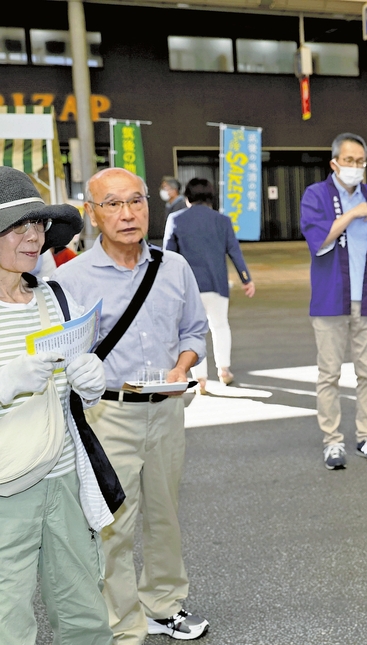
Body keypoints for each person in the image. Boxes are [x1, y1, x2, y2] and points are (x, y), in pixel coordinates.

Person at [53, 167, 210, 643]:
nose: (128, 214)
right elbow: (63, 352)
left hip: (165, 410)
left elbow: (194, 331)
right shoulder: (70, 278)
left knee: (165, 514)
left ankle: (164, 604)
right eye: (113, 204)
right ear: (93, 214)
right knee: (113, 525)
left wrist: (181, 369)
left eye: (136, 201)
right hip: (106, 415)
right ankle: (123, 625)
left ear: (150, 205)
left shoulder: (173, 267)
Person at [0, 166, 113, 645]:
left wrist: (89, 383)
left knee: (85, 617)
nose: (34, 237)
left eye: (39, 225)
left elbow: (70, 386)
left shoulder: (55, 296)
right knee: (8, 624)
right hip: (6, 490)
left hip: (65, 477)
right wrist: (7, 381)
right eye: (19, 226)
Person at [300, 132, 367, 470]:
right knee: (329, 373)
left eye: (360, 161)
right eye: (349, 160)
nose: (355, 167)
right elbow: (317, 239)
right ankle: (332, 440)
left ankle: (366, 434)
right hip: (331, 299)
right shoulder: (316, 195)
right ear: (334, 163)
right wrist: (349, 216)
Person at [163, 178, 256, 393]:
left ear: (187, 197)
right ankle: (224, 370)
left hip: (188, 288)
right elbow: (234, 251)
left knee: (193, 332)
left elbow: (168, 256)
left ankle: (201, 379)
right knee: (220, 326)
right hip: (217, 284)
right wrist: (246, 279)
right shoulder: (222, 220)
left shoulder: (176, 219)